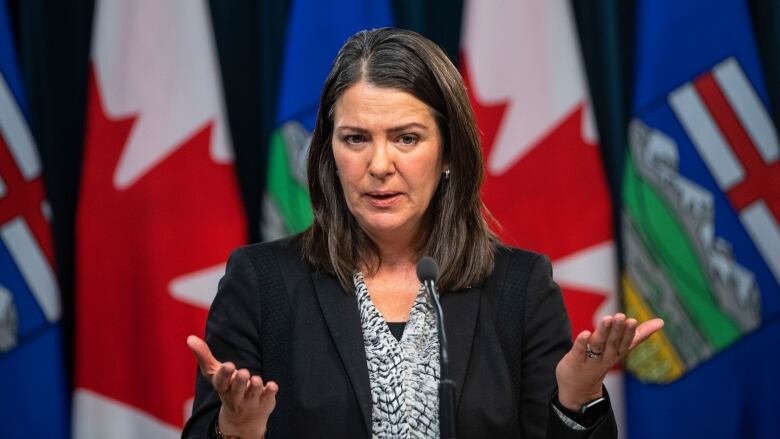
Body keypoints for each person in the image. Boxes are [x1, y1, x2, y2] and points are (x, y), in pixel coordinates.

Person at [182, 28, 663, 439]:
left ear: (449, 153)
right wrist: (237, 431)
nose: (379, 166)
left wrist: (576, 399)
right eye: (355, 139)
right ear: (329, 153)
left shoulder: (521, 286)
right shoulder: (261, 283)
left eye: (406, 138)